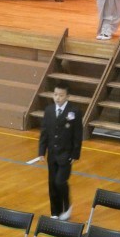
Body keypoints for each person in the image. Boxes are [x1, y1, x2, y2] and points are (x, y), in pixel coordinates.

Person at [38, 82, 83, 220]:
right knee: (52, 184)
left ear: (67, 96)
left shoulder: (74, 112)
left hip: (66, 154)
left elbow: (77, 134)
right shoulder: (49, 110)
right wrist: (41, 151)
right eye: (55, 94)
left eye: (61, 95)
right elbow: (44, 132)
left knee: (60, 182)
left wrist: (75, 153)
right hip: (52, 154)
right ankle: (55, 212)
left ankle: (67, 206)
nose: (58, 98)